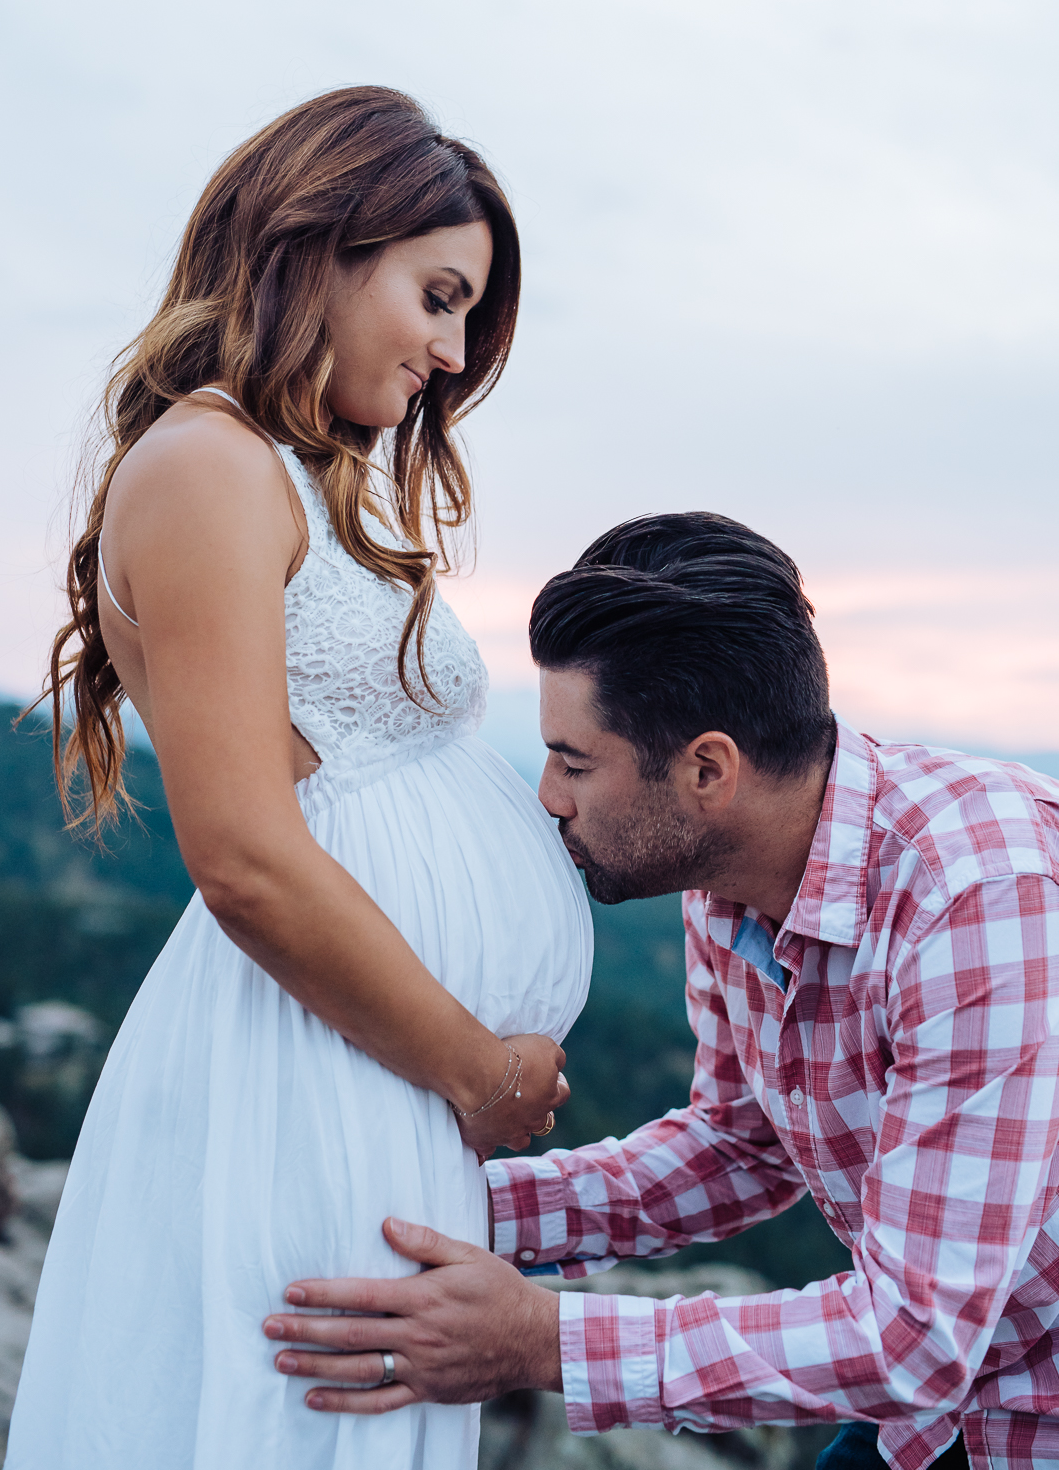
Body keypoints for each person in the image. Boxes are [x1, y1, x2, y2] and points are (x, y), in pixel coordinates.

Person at [6, 87, 592, 1470]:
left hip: (365, 1068)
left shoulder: (294, 472)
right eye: (439, 298)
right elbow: (247, 858)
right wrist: (476, 1068)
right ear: (317, 245)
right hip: (313, 1071)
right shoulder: (208, 466)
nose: (451, 354)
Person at [261, 513, 1059, 1470]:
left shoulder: (979, 897)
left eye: (575, 761)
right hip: (941, 1414)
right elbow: (738, 1148)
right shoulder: (731, 883)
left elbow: (914, 1337)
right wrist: (434, 1202)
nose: (549, 795)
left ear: (707, 770)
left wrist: (542, 1339)